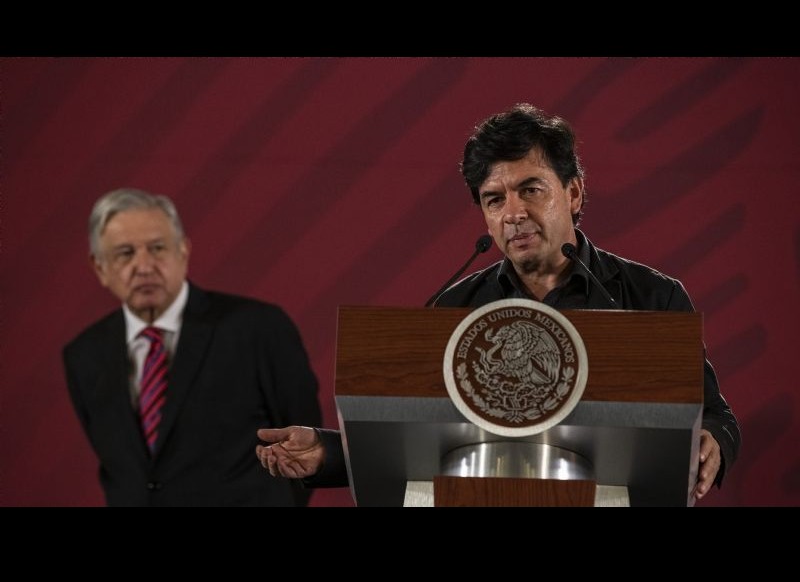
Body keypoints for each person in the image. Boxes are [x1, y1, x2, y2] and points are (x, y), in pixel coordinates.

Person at [256, 103, 742, 501]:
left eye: (531, 190)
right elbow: (415, 436)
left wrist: (713, 442)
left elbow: (715, 417)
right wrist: (327, 453)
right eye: (494, 199)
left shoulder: (652, 297)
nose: (513, 213)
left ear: (573, 193)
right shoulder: (455, 310)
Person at [63, 188, 322, 506]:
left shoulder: (257, 328)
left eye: (157, 248)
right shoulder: (84, 355)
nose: (144, 266)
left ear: (183, 251)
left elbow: (304, 447)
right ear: (100, 267)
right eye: (125, 253)